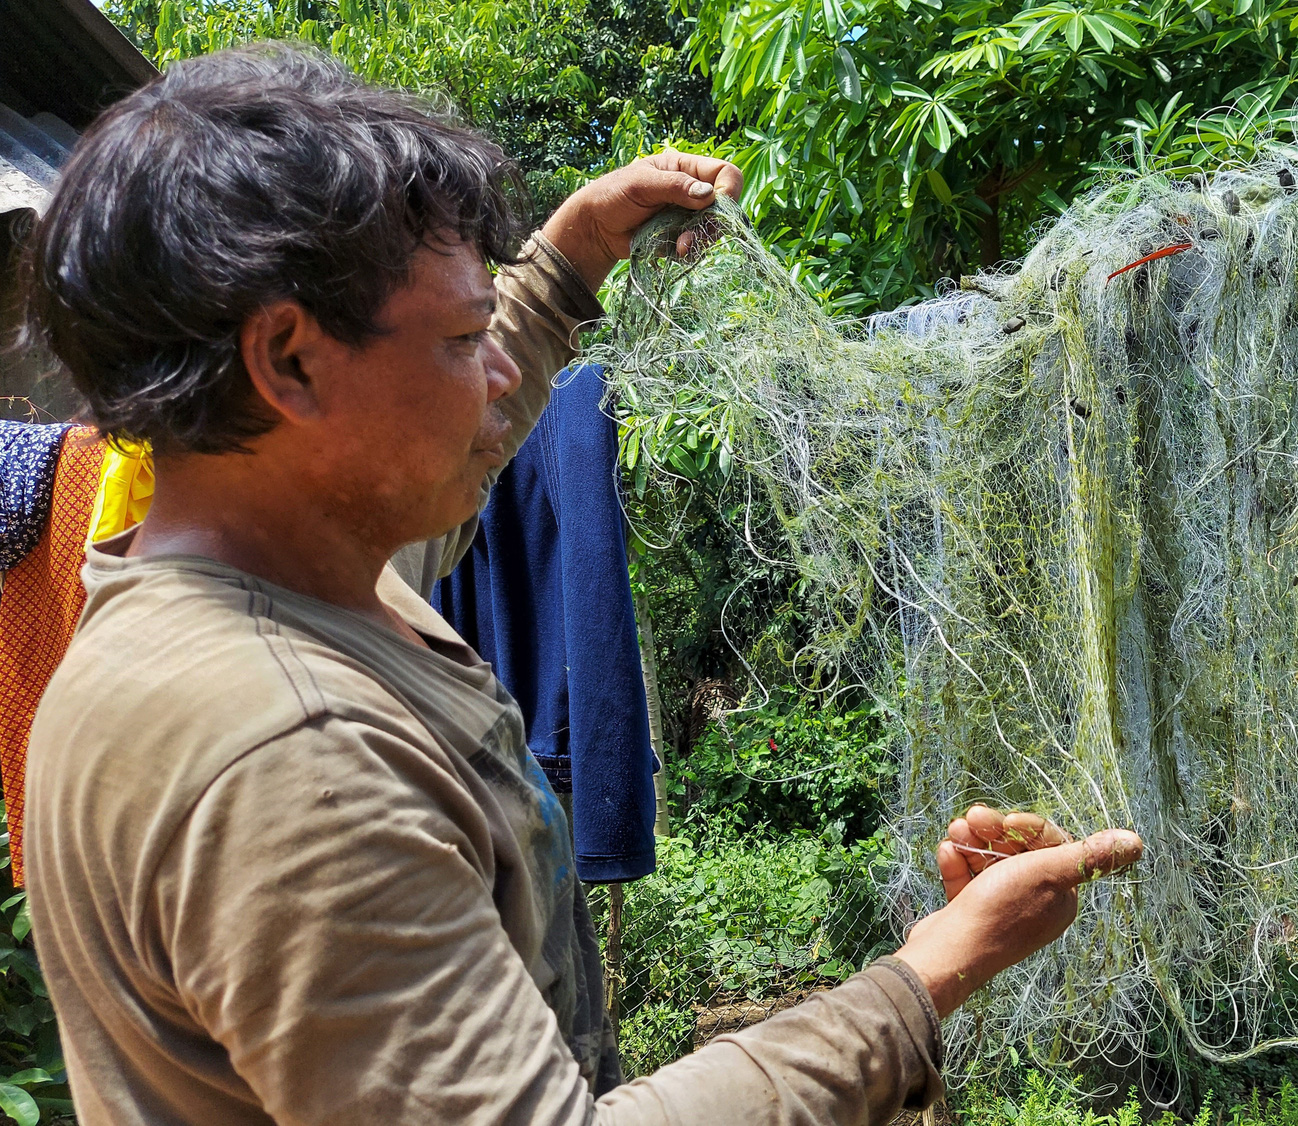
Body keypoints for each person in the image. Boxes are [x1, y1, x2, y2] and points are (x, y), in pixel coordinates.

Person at [18, 44, 1142, 1125]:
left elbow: (480, 401)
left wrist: (571, 253)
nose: (503, 377)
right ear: (289, 358)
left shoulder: (272, 574)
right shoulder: (287, 756)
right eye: (464, 339)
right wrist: (930, 973)